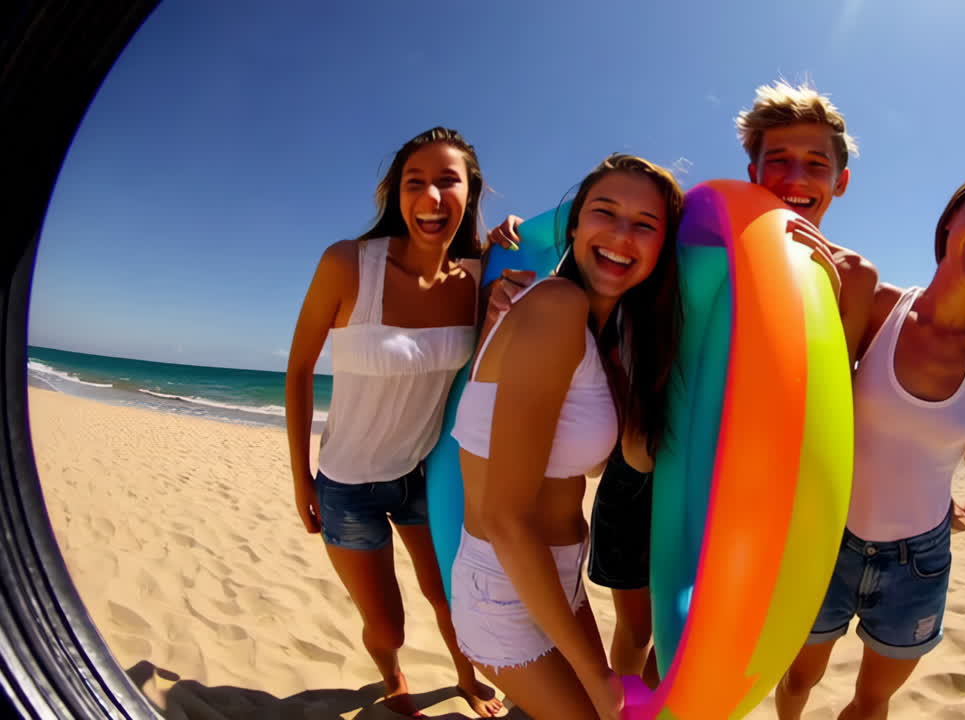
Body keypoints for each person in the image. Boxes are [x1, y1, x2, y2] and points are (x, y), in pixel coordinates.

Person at [483, 80, 877, 687]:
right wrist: (514, 252)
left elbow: (831, 392)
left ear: (840, 181)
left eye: (816, 164)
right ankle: (620, 699)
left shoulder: (851, 274)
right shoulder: (706, 230)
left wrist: (818, 294)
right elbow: (607, 234)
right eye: (778, 161)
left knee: (703, 637)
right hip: (637, 471)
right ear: (753, 171)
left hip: (740, 479)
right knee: (637, 631)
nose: (796, 176)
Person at [775, 170, 965, 720]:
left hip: (918, 565)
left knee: (872, 701)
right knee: (798, 677)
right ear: (950, 221)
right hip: (828, 544)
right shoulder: (878, 308)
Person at [449, 154, 685, 720]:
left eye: (646, 225)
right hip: (505, 585)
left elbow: (634, 458)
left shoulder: (597, 335)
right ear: (574, 225)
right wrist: (597, 674)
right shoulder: (556, 305)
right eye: (605, 212)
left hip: (557, 582)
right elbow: (505, 516)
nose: (622, 236)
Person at [285, 128, 503, 718]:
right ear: (397, 194)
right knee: (388, 625)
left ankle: (466, 677)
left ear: (469, 191)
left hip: (424, 474)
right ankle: (392, 677)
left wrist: (511, 246)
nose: (431, 196)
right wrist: (302, 480)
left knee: (449, 597)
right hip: (347, 484)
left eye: (448, 180)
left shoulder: (478, 278)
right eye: (416, 182)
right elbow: (300, 368)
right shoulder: (348, 264)